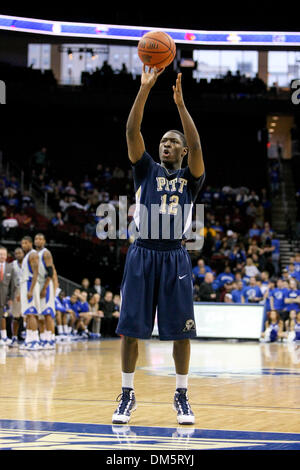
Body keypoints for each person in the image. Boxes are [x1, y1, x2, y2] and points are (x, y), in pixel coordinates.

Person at [112, 67, 205, 426]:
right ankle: (126, 394)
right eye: (163, 141)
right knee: (131, 328)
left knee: (181, 332)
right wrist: (145, 89)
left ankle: (181, 394)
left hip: (174, 256)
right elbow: (131, 130)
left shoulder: (190, 179)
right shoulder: (145, 169)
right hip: (142, 252)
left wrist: (181, 106)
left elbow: (197, 145)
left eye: (172, 142)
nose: (165, 144)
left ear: (181, 151)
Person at [34, 233, 58, 350]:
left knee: (48, 314)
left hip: (46, 285)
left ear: (44, 241)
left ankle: (51, 339)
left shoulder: (46, 253)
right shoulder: (34, 254)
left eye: (40, 239)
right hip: (37, 285)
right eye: (36, 239)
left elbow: (50, 272)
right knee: (40, 315)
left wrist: (45, 288)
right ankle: (43, 338)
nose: (38, 241)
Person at [19, 236, 40, 350]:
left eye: (26, 243)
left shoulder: (33, 254)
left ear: (31, 243)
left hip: (29, 285)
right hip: (25, 285)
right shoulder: (27, 255)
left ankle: (35, 340)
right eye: (22, 243)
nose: (23, 245)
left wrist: (31, 290)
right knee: (28, 314)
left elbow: (36, 273)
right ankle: (29, 339)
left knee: (31, 313)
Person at [9, 247, 24, 348]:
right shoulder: (12, 265)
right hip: (17, 291)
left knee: (29, 315)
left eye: (20, 253)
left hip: (28, 291)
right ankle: (14, 337)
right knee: (16, 317)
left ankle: (30, 337)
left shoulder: (28, 263)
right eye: (16, 253)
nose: (18, 254)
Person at [0, 246, 15, 345]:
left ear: (7, 256)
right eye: (0, 254)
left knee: (2, 317)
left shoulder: (10, 267)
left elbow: (12, 285)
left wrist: (11, 298)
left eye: (4, 254)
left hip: (4, 297)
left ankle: (4, 337)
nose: (2, 256)